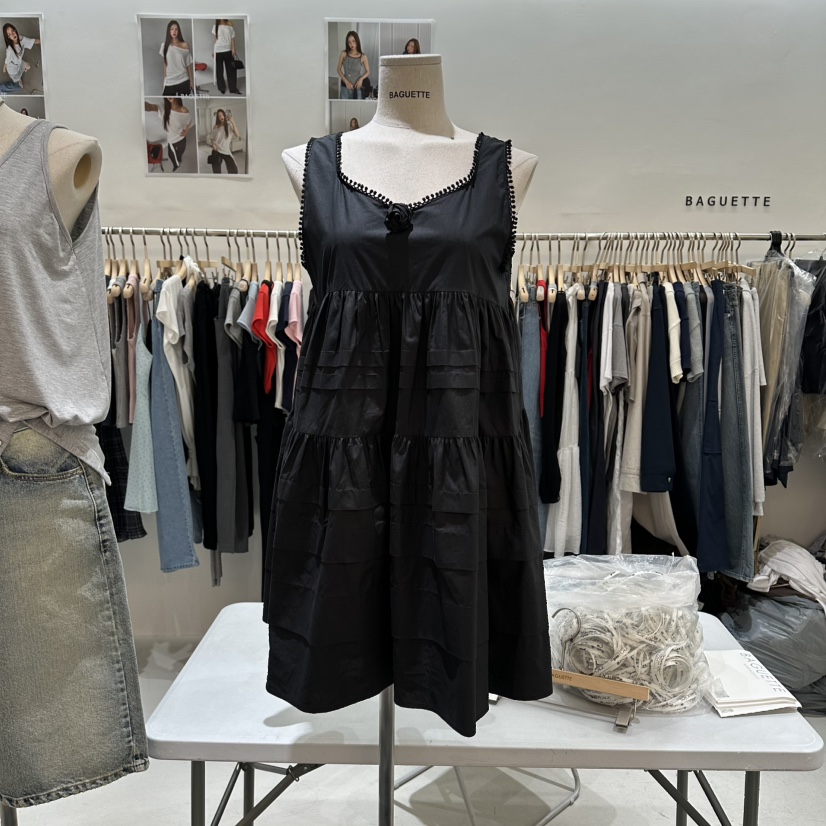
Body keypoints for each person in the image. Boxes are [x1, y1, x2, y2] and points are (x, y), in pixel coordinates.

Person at [145, 98, 193, 171]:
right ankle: (175, 165)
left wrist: (187, 131)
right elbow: (150, 107)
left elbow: (189, 120)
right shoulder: (163, 107)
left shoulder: (183, 110)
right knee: (171, 155)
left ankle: (178, 159)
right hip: (171, 141)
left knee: (180, 153)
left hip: (181, 139)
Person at [2, 23, 39, 93]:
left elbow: (33, 41)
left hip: (19, 62)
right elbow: (7, 58)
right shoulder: (10, 50)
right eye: (9, 34)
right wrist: (5, 65)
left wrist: (46, 42)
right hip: (13, 69)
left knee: (28, 66)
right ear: (8, 37)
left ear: (15, 30)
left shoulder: (21, 38)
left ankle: (20, 74)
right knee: (20, 86)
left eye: (12, 31)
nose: (12, 34)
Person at [159, 20, 193, 96]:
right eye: (172, 29)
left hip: (183, 79)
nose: (174, 31)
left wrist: (191, 81)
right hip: (170, 80)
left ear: (179, 31)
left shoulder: (185, 45)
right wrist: (165, 80)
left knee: (183, 101)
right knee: (167, 101)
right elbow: (165, 65)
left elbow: (188, 64)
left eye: (176, 29)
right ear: (169, 31)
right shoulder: (164, 46)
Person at [337, 30, 370, 100]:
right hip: (345, 87)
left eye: (353, 41)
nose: (351, 44)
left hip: (357, 87)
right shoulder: (344, 54)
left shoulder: (363, 56)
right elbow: (339, 69)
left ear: (357, 41)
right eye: (349, 42)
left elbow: (368, 71)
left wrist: (361, 79)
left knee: (357, 106)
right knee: (344, 106)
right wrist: (346, 82)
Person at [212, 18, 240, 95]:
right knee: (219, 71)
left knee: (231, 70)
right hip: (218, 50)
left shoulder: (230, 24)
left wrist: (234, 48)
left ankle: (233, 88)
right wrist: (213, 51)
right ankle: (221, 88)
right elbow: (215, 40)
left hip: (228, 50)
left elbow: (232, 38)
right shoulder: (215, 26)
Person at [208, 108, 240, 174]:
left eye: (222, 114)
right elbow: (211, 137)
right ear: (217, 117)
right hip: (216, 150)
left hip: (226, 150)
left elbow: (237, 135)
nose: (221, 117)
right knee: (216, 171)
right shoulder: (216, 126)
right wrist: (212, 144)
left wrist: (233, 121)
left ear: (225, 115)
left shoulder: (229, 125)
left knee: (234, 171)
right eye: (219, 116)